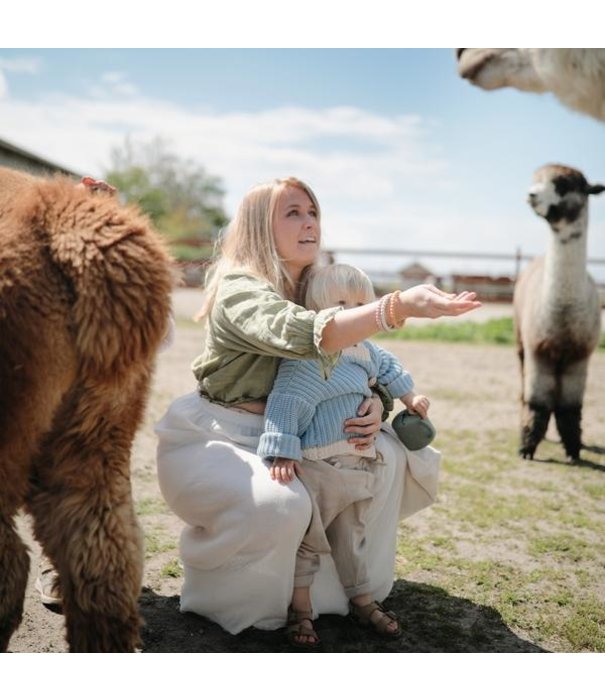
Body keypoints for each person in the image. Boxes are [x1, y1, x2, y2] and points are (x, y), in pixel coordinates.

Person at [154, 176, 481, 637]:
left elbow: (358, 357)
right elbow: (307, 335)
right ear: (258, 226)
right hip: (225, 434)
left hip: (304, 429)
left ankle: (339, 592)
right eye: (293, 213)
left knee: (389, 453)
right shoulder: (239, 289)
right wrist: (399, 306)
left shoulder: (320, 282)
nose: (309, 223)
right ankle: (234, 597)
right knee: (280, 504)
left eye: (313, 213)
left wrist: (376, 401)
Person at [258, 263, 433, 648]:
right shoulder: (313, 357)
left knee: (353, 538)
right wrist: (282, 448)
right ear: (317, 310)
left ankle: (362, 599)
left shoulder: (368, 351)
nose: (351, 309)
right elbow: (288, 401)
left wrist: (409, 397)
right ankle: (300, 610)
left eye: (359, 303)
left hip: (359, 462)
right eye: (340, 302)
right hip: (320, 464)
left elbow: (391, 369)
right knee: (309, 541)